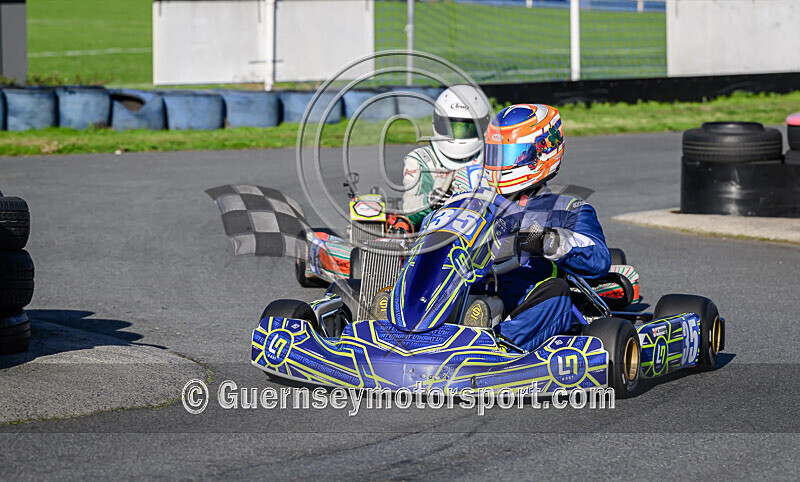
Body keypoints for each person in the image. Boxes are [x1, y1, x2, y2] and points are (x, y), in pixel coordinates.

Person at [483, 103, 611, 351]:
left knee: (557, 291)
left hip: (525, 302)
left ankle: (498, 345)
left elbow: (599, 258)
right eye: (496, 154)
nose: (501, 164)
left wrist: (549, 240)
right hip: (474, 289)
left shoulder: (566, 208)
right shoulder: (478, 202)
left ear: (542, 151)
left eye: (512, 154)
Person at [396, 85, 491, 231]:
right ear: (437, 123)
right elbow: (407, 207)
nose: (457, 136)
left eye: (466, 128)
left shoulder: (491, 160)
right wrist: (431, 200)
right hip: (433, 234)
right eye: (450, 128)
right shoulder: (421, 160)